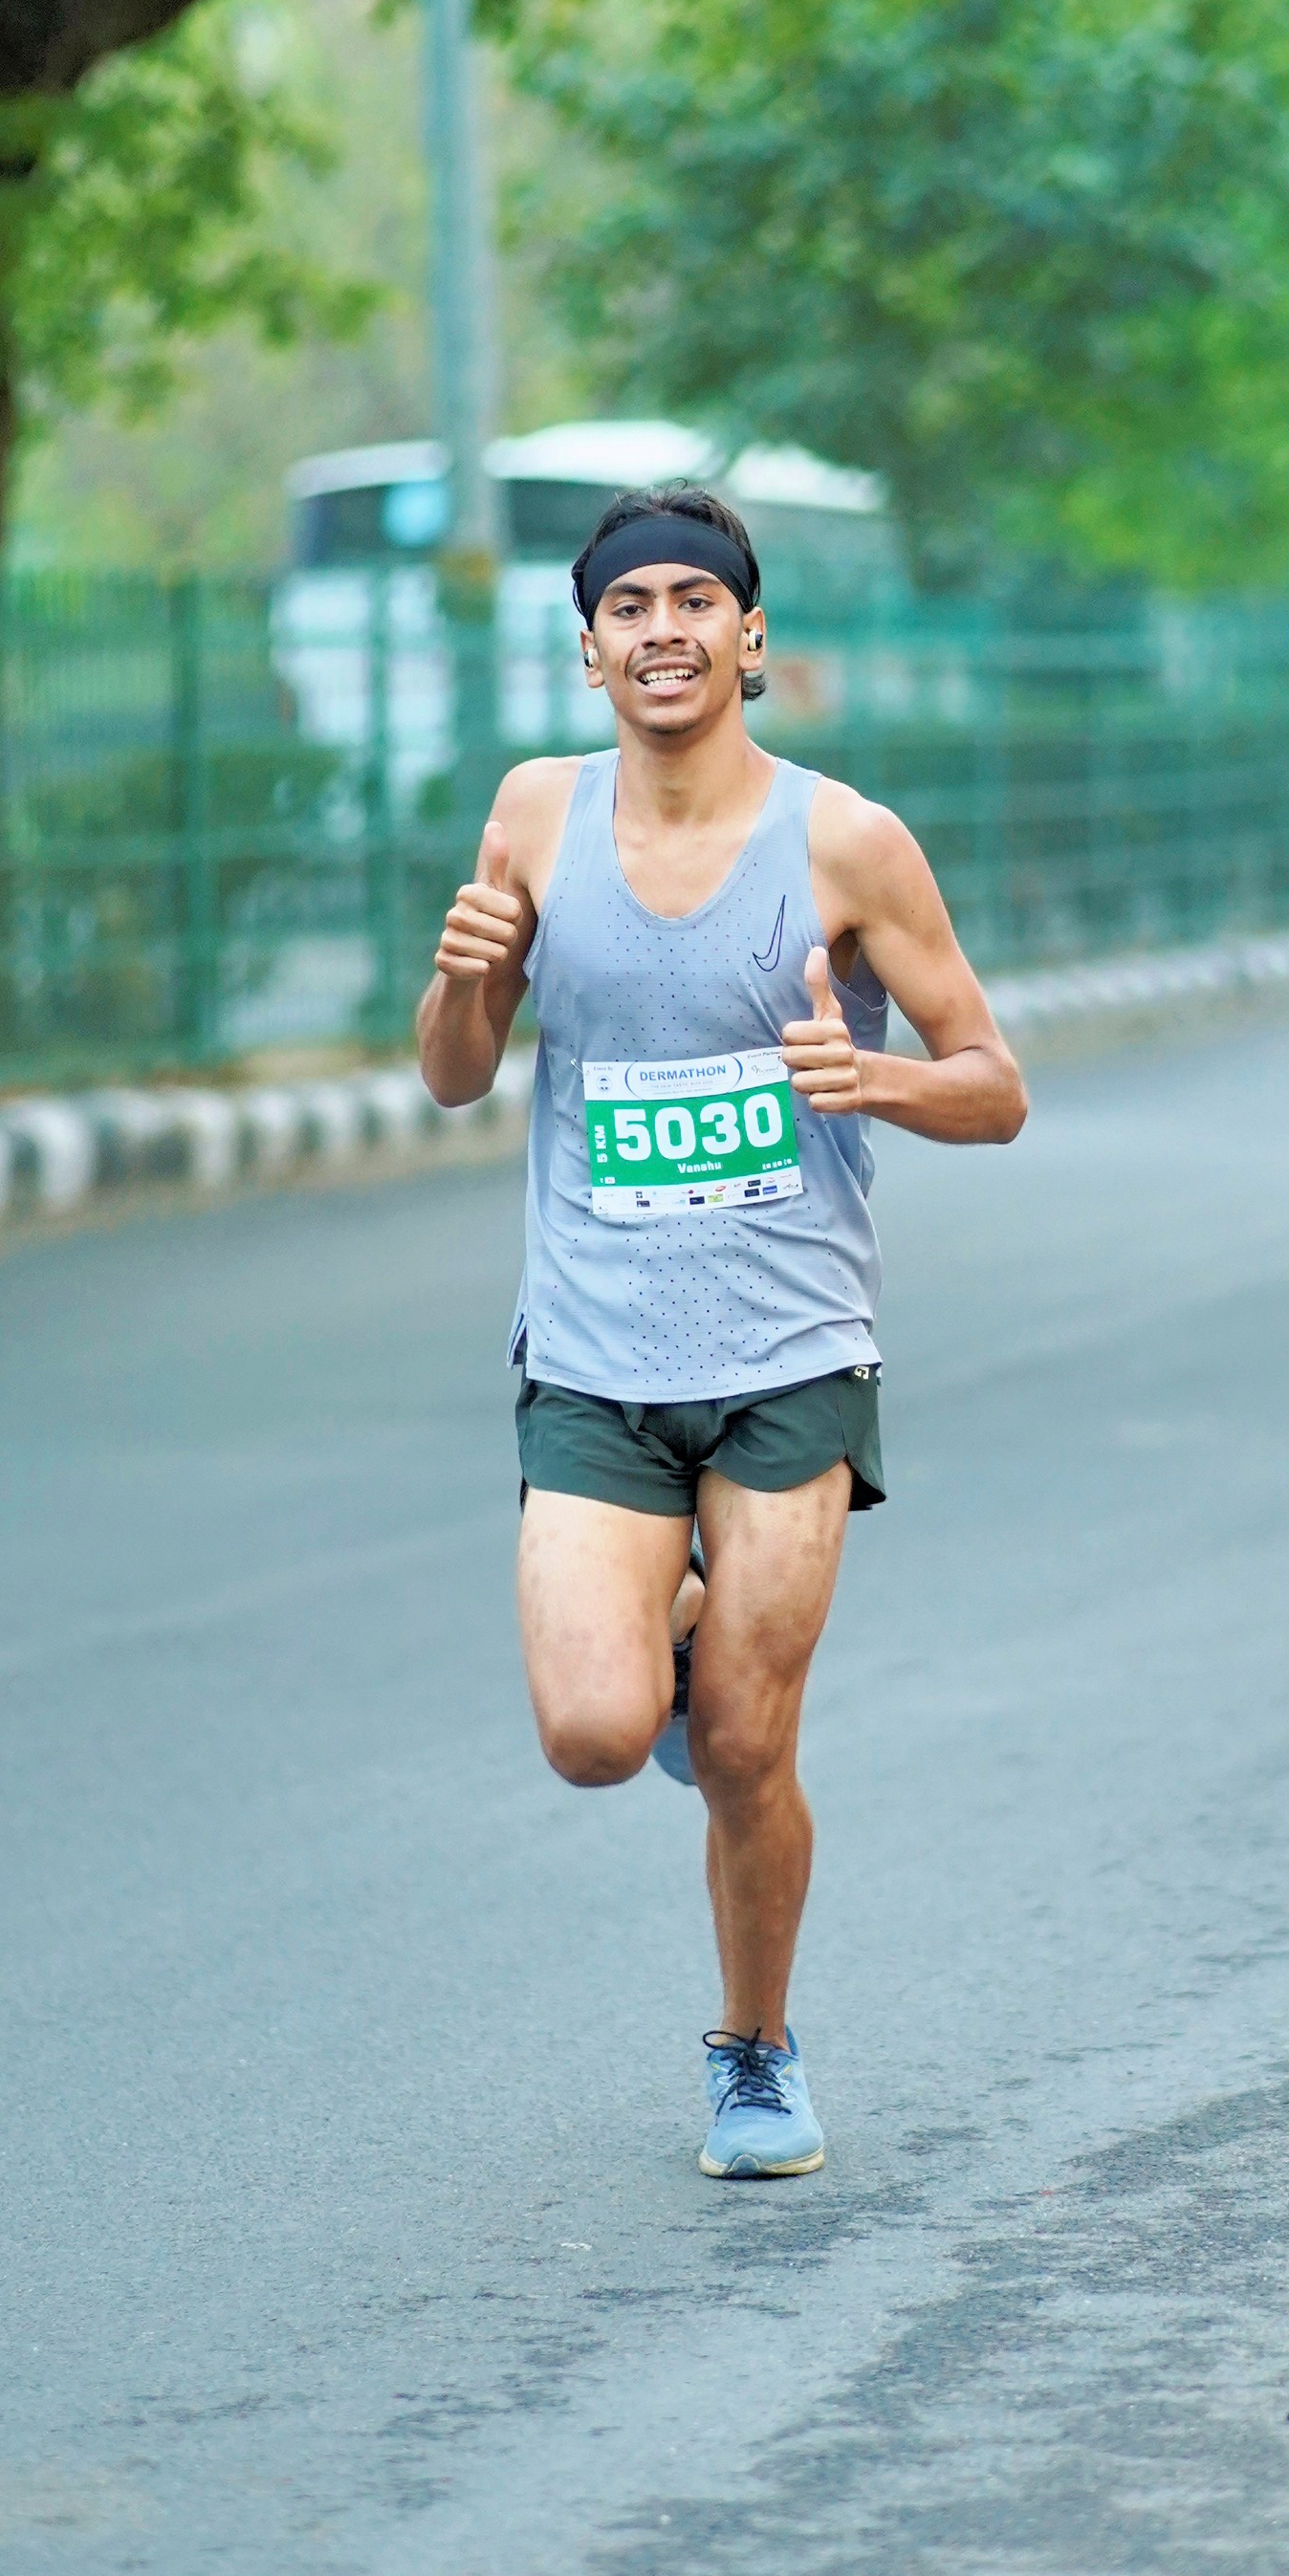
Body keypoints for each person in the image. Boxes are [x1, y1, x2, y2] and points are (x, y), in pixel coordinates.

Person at [417, 483, 1026, 2177]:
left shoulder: (848, 842)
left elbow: (996, 1088)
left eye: (697, 600)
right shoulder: (534, 815)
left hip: (789, 1357)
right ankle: (680, 1634)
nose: (664, 629)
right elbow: (457, 1073)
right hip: (595, 1354)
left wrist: (872, 1078)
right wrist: (462, 977)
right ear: (590, 647)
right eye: (631, 607)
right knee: (598, 1736)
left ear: (751, 637)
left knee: (750, 1746)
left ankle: (754, 2052)